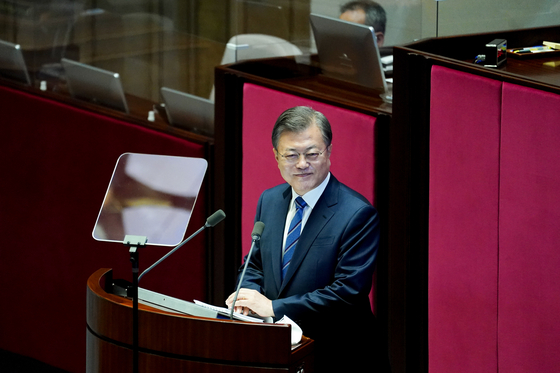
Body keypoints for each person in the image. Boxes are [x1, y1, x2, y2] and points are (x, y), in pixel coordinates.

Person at [226, 106, 381, 372]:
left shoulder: (357, 213)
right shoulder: (270, 200)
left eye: (311, 154)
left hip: (336, 355)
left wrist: (273, 307)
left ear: (329, 152)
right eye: (291, 155)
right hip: (277, 351)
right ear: (276, 156)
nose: (301, 164)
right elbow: (254, 263)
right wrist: (245, 297)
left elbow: (347, 293)